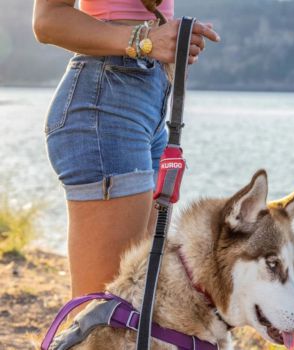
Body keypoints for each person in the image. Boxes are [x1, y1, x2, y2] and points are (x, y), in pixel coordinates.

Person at [32, 0, 220, 309]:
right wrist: (145, 39)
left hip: (151, 103)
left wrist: (169, 39)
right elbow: (48, 20)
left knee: (135, 307)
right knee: (100, 316)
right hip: (105, 102)